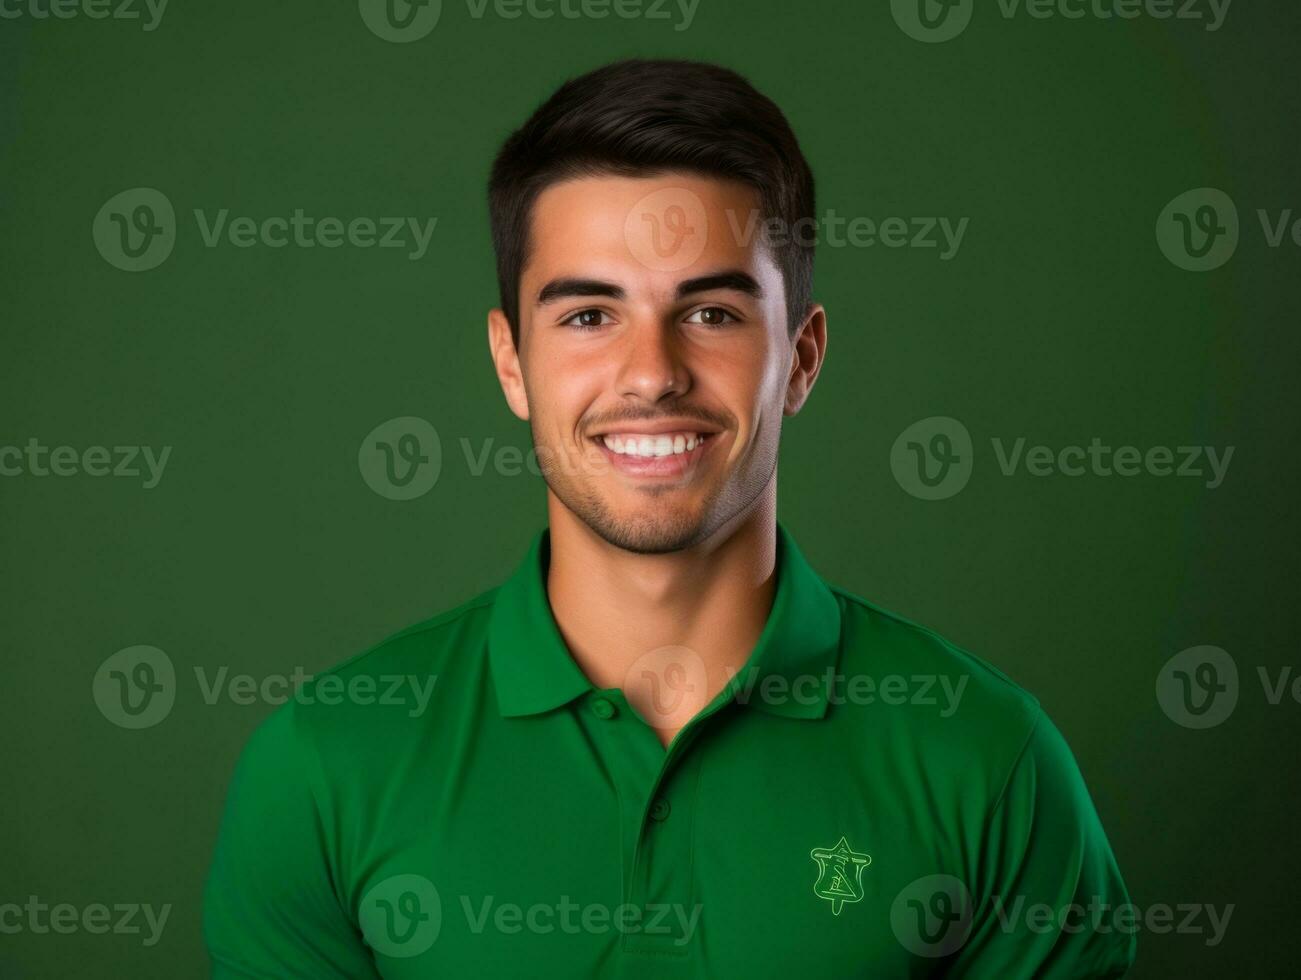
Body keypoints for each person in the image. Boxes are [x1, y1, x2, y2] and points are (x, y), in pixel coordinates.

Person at [204, 58, 1135, 978]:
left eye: (713, 313)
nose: (652, 373)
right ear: (510, 362)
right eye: (586, 317)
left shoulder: (987, 756)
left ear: (802, 357)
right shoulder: (323, 769)